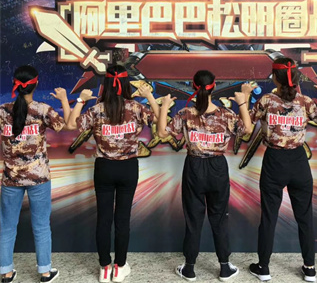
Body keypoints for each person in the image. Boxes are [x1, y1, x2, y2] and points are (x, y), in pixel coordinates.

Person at [66, 65, 159, 283]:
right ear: (126, 84)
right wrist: (149, 96)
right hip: (128, 168)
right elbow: (158, 118)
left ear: (106, 84)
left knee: (104, 218)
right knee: (122, 219)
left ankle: (104, 267)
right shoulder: (136, 107)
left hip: (104, 168)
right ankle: (120, 267)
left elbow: (71, 124)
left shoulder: (97, 109)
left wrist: (80, 100)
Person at [157, 70, 253, 282]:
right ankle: (225, 268)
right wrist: (242, 102)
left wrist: (164, 107)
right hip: (217, 167)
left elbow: (162, 133)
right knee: (219, 218)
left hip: (194, 167)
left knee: (193, 218)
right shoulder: (226, 114)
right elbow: (247, 129)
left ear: (193, 87)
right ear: (214, 87)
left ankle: (189, 268)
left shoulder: (185, 114)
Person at [245, 57, 317, 282]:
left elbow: (246, 125)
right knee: (305, 217)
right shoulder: (305, 101)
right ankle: (310, 269)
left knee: (269, 217)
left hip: (274, 161)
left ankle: (263, 268)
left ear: (275, 77)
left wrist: (244, 99)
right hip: (298, 161)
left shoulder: (266, 100)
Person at [0, 65, 70, 283]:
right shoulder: (42, 109)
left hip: (10, 178)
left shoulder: (3, 110)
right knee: (41, 226)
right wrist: (64, 99)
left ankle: (6, 273)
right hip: (38, 177)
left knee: (6, 226)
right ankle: (45, 272)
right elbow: (65, 125)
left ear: (15, 85)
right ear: (36, 84)